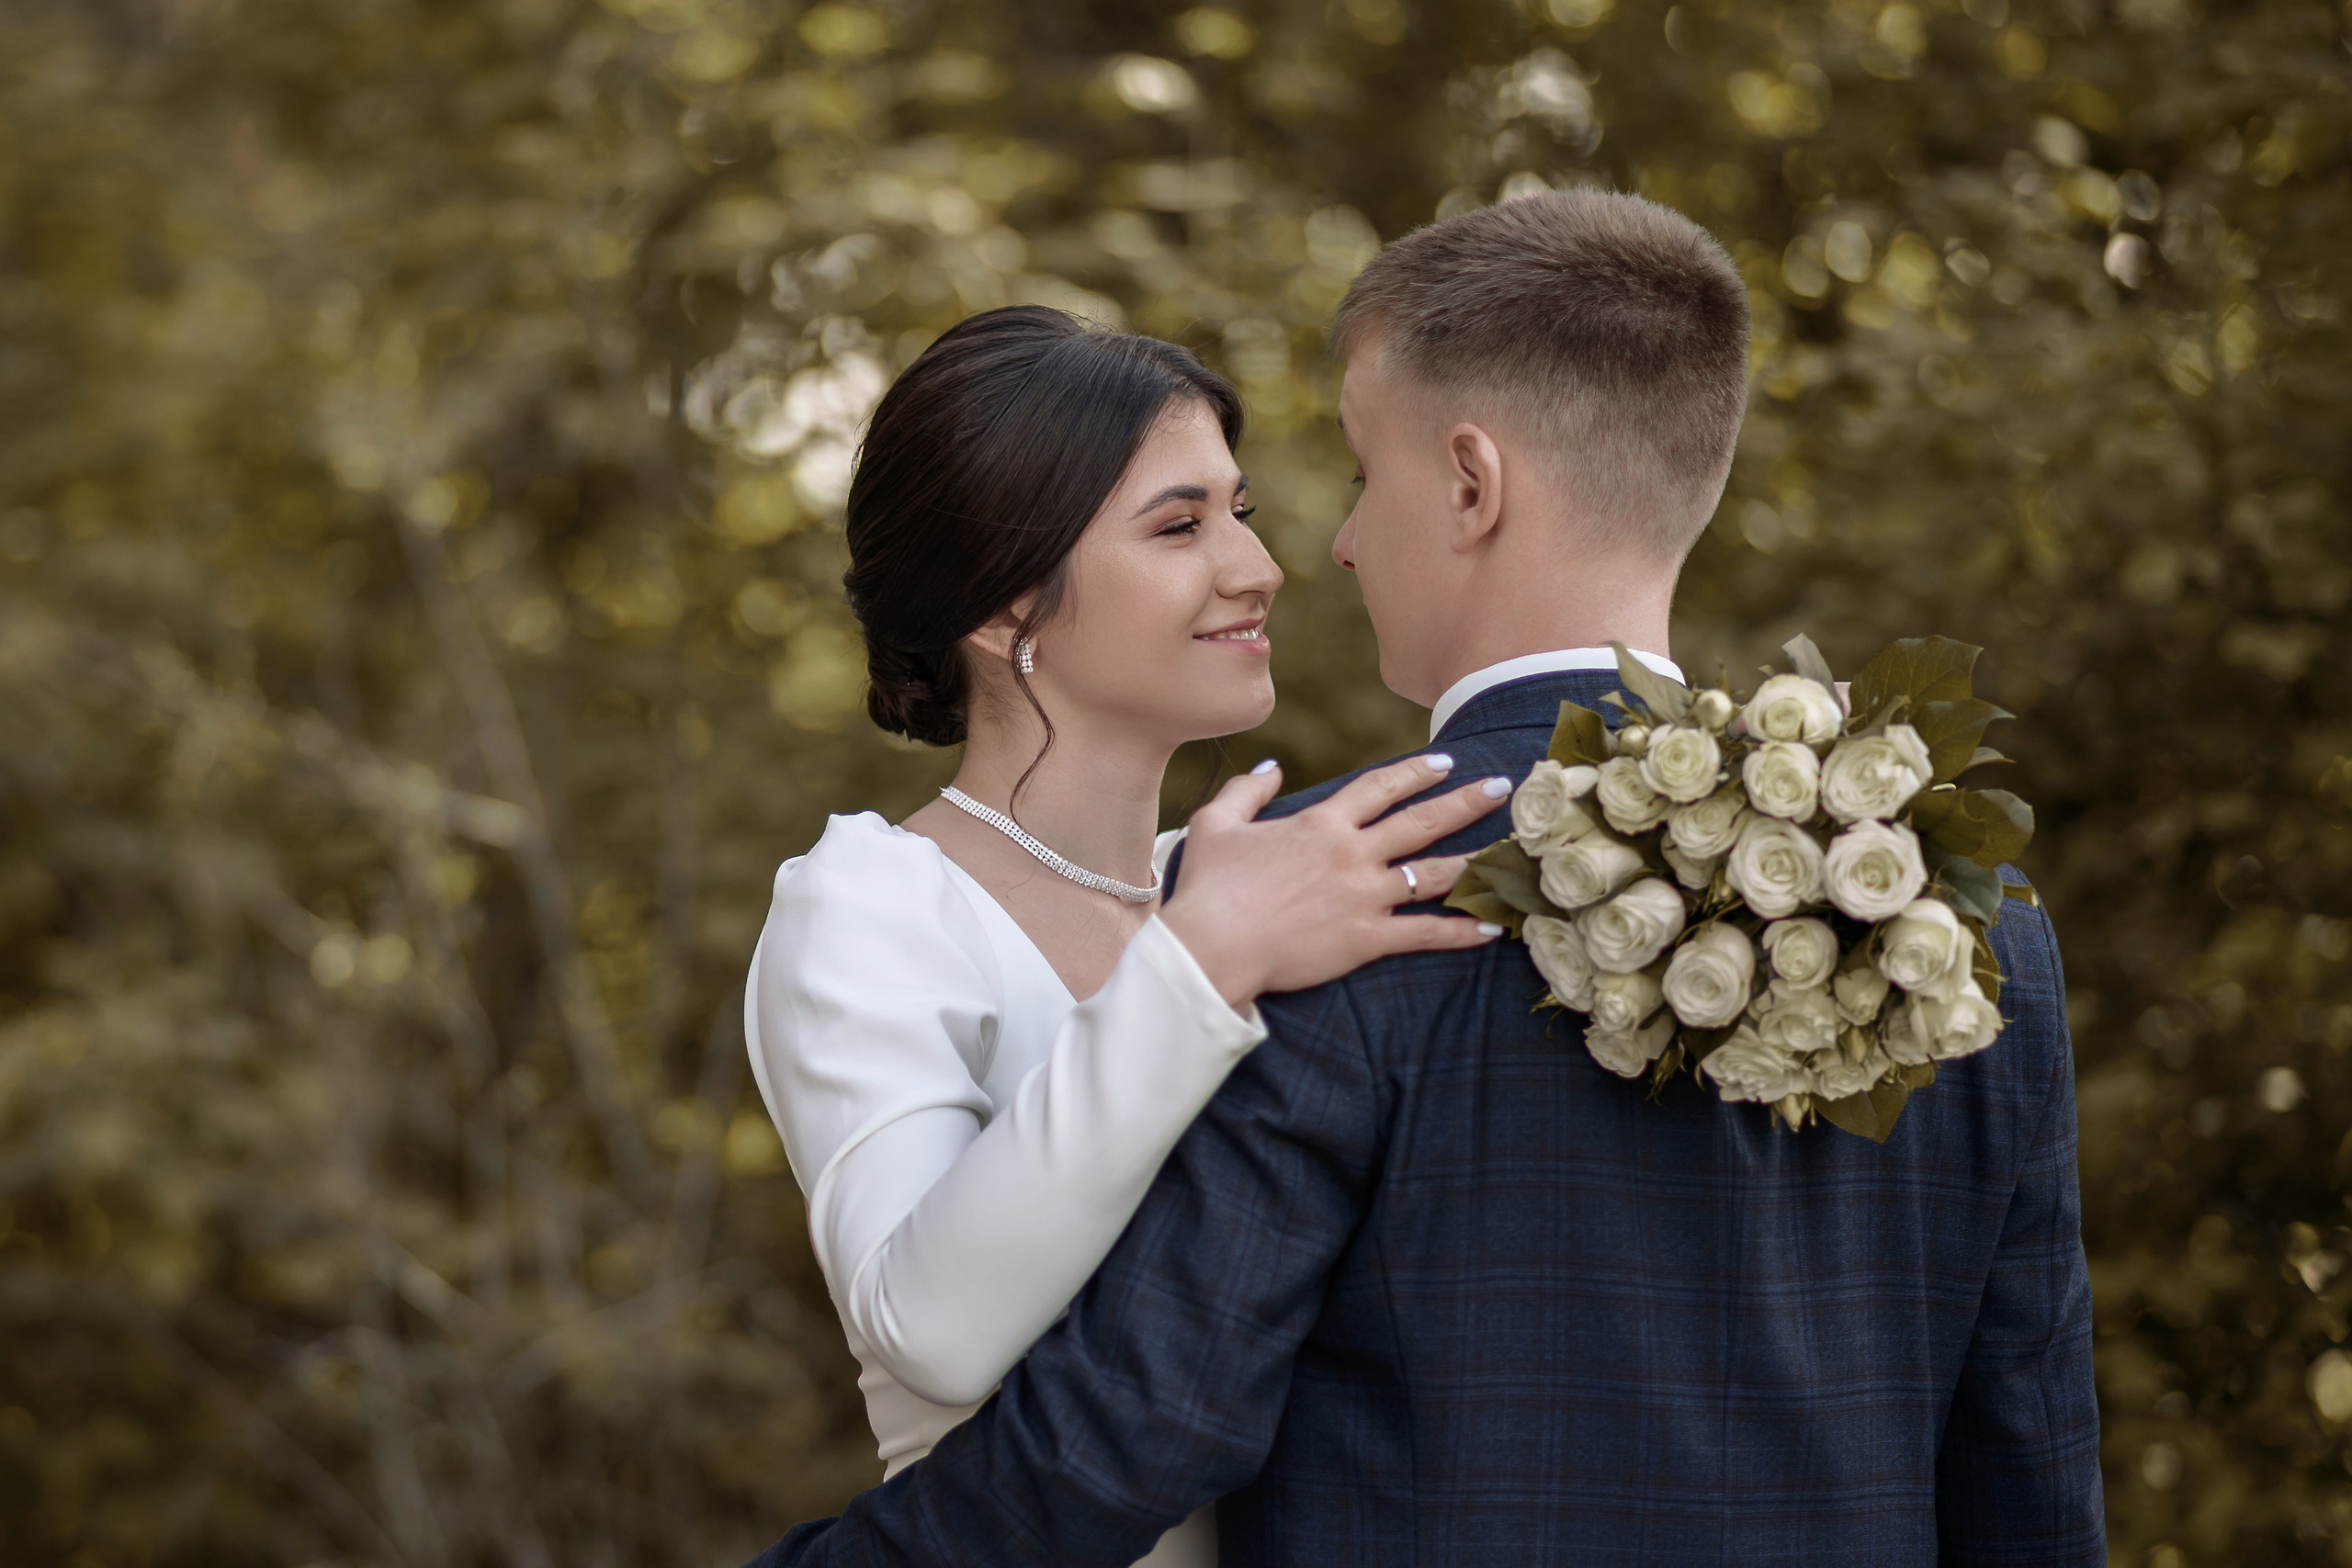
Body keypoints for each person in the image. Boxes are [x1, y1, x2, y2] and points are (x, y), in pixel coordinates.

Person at [746, 190, 2104, 1565]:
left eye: (1333, 483)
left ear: (1470, 483)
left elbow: (1139, 1425)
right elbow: (2029, 1459)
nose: (1300, 556)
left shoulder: (1359, 895)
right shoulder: (1955, 913)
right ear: (1004, 603)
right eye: (1182, 526)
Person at [742, 306, 1517, 1568]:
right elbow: (927, 1323)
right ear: (1004, 607)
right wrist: (1200, 964)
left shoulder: (1236, 888)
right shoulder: (875, 900)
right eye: (1179, 525)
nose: (1259, 566)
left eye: (1241, 510)